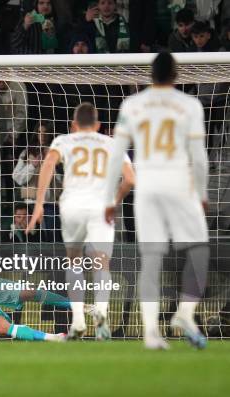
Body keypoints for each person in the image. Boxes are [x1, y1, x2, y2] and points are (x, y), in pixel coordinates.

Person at [104, 52, 209, 350]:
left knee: (150, 260)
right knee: (198, 250)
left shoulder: (132, 104)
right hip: (179, 183)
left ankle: (151, 333)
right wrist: (201, 193)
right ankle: (186, 313)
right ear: (176, 75)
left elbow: (117, 155)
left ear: (151, 75)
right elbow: (199, 157)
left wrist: (109, 200)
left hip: (147, 187)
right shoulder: (189, 104)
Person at [27, 102, 135, 340]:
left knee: (74, 262)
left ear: (73, 125)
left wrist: (38, 203)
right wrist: (115, 202)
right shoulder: (111, 143)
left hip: (73, 206)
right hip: (100, 207)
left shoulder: (63, 141)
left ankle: (77, 320)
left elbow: (47, 165)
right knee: (101, 264)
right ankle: (102, 317)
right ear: (98, 125)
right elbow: (129, 179)